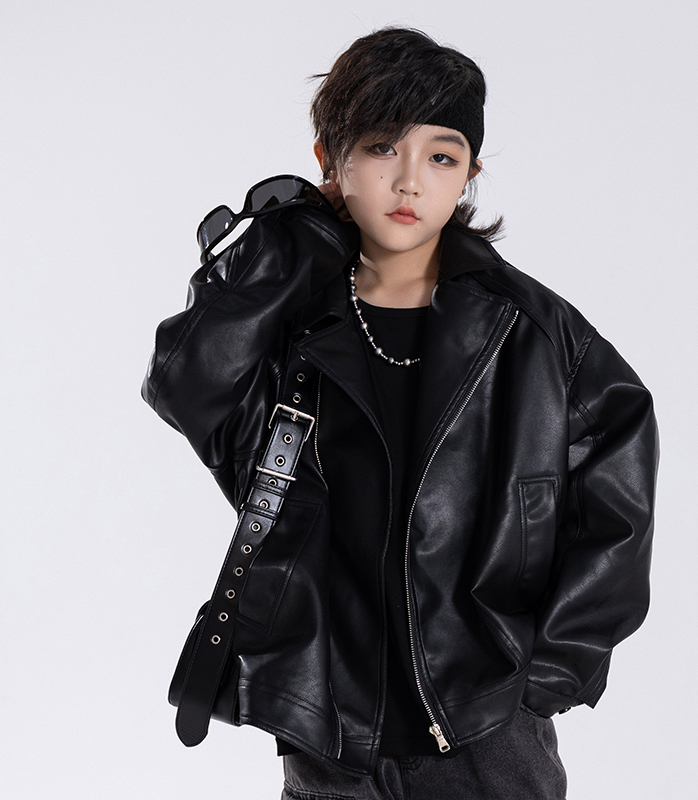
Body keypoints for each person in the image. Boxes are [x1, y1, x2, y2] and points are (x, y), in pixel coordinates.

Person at [143, 27, 658, 800]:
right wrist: (287, 246)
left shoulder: (530, 331)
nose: (411, 182)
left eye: (442, 156)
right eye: (383, 148)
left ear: (470, 174)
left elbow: (621, 494)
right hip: (329, 730)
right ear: (331, 160)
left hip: (486, 730)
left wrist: (551, 672)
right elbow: (188, 385)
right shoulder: (292, 323)